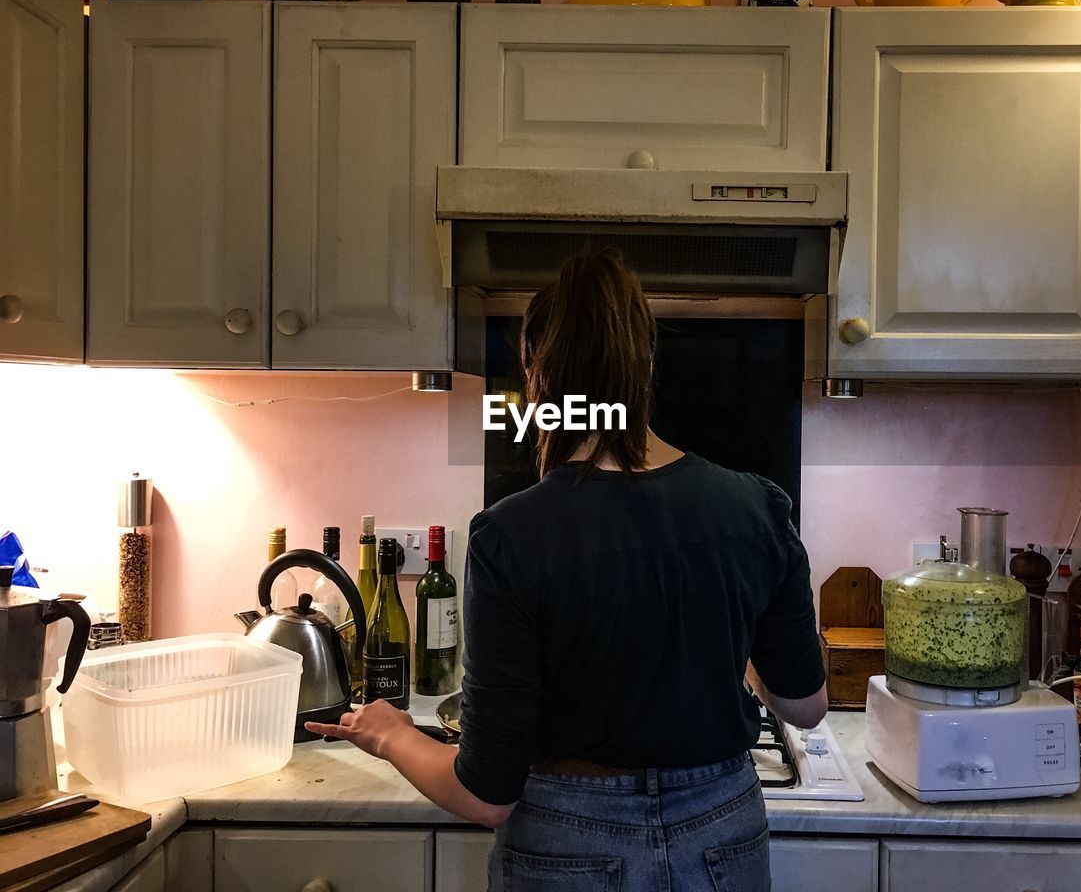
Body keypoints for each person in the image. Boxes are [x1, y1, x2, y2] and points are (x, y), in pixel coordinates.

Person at [307, 252, 827, 891]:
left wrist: (389, 734)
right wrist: (731, 639)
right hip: (723, 832)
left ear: (537, 374)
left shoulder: (511, 534)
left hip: (566, 841)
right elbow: (805, 706)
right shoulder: (758, 508)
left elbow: (487, 795)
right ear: (645, 366)